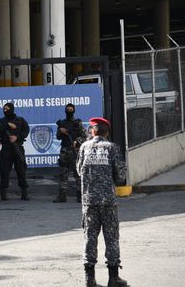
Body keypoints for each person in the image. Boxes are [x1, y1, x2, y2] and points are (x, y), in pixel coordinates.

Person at [77, 118, 127, 287]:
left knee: (89, 238)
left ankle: (89, 279)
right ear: (107, 132)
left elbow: (78, 171)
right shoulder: (112, 148)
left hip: (89, 201)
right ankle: (113, 278)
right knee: (111, 238)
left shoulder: (84, 147)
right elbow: (121, 176)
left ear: (93, 131)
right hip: (108, 202)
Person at [0, 103, 30, 201]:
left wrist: (16, 137)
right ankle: (3, 192)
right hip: (6, 148)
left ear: (12, 109)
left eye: (7, 109)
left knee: (21, 170)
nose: (5, 110)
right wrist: (7, 124)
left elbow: (26, 131)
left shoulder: (20, 120)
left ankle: (24, 192)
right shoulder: (1, 121)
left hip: (17, 147)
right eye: (4, 109)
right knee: (4, 171)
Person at [54, 103, 86, 203]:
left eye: (71, 109)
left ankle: (80, 195)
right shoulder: (62, 123)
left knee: (78, 174)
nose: (69, 111)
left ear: (74, 110)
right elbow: (58, 137)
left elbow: (84, 136)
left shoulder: (78, 123)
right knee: (63, 174)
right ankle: (62, 196)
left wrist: (77, 141)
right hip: (64, 151)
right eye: (67, 109)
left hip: (75, 150)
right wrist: (60, 130)